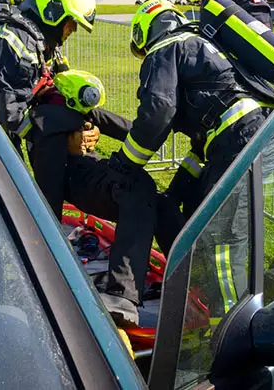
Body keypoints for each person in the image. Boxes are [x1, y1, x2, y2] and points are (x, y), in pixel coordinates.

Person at [109, 0, 272, 324]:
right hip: (247, 136)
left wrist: (125, 163)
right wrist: (175, 194)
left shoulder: (164, 49)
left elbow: (157, 112)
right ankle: (217, 301)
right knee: (206, 219)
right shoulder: (198, 46)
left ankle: (231, 328)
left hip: (240, 140)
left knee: (222, 238)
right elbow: (201, 150)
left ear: (145, 31)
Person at [22, 75, 184, 328]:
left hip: (90, 175)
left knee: (159, 204)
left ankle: (188, 273)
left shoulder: (67, 110)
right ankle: (122, 295)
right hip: (82, 185)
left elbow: (120, 126)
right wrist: (51, 246)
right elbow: (49, 188)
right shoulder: (51, 124)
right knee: (135, 185)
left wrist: (156, 127)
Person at [0, 0, 96, 152]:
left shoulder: (40, 40)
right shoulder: (19, 44)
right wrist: (63, 139)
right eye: (72, 22)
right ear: (54, 12)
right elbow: (11, 114)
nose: (74, 29)